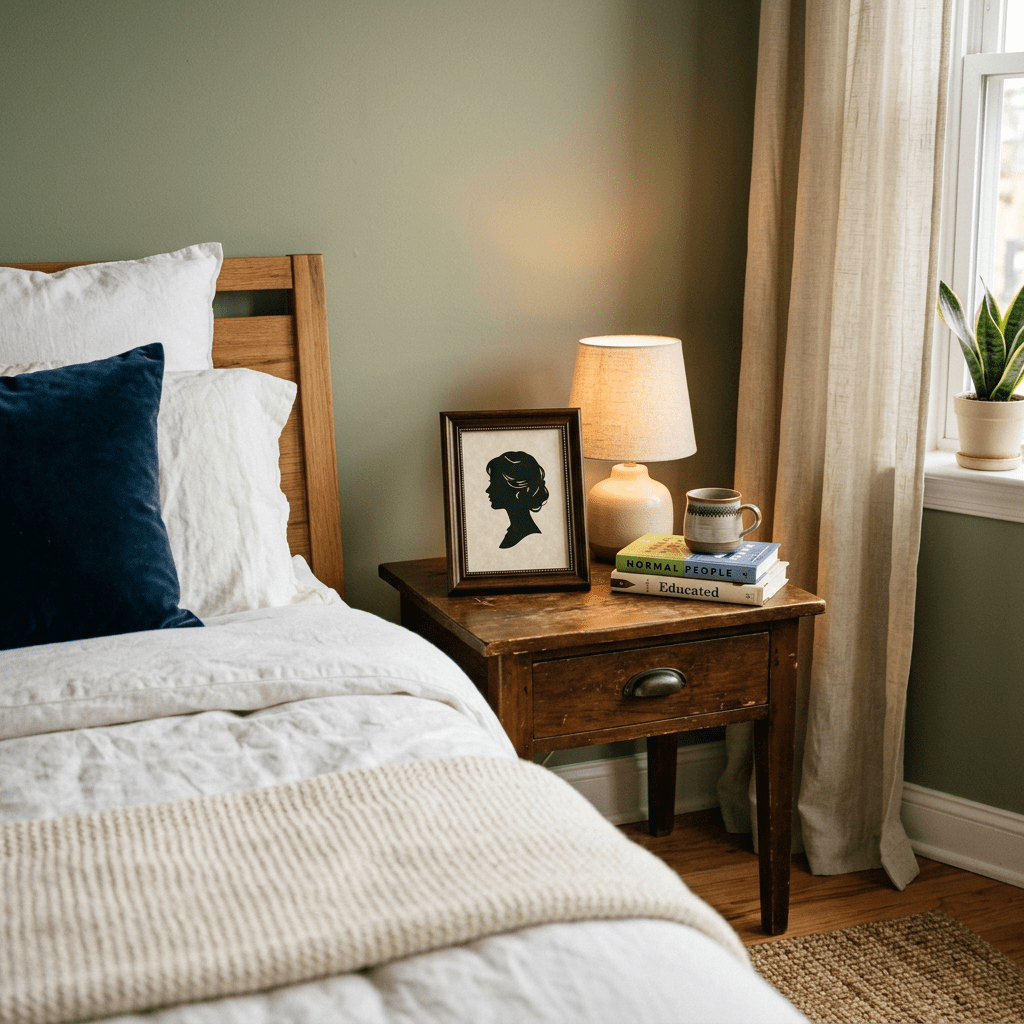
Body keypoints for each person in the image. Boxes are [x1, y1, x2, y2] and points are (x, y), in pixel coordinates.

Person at [485, 451, 549, 549]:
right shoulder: (517, 531)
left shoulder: (528, 536)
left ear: (517, 490)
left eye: (494, 483)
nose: (488, 490)